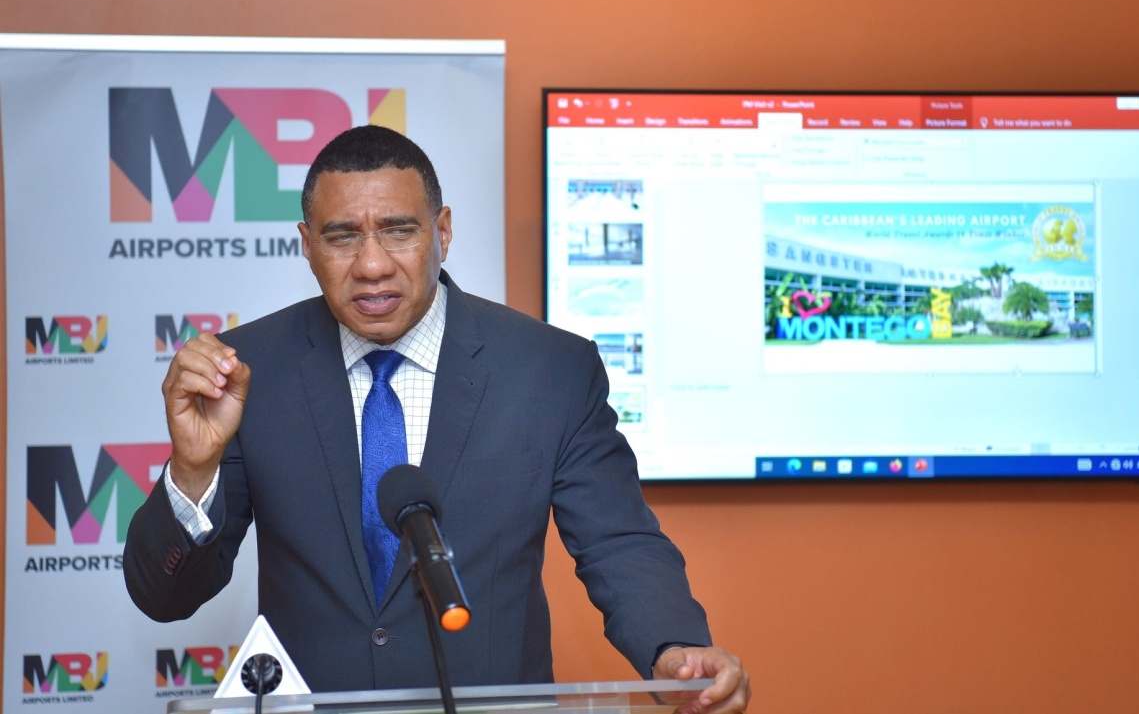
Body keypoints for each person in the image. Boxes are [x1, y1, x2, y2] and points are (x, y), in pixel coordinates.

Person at [124, 125, 750, 714]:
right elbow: (164, 598)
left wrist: (673, 649)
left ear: (443, 232)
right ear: (307, 244)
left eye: (399, 231)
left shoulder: (550, 368)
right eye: (342, 236)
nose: (372, 265)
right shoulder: (248, 371)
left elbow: (618, 541)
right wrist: (192, 468)